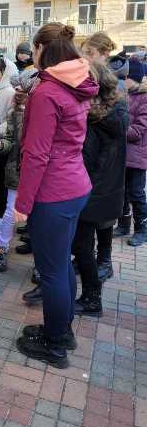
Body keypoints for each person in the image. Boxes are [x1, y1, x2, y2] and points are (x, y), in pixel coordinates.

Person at [14, 23, 98, 369]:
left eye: (34, 49)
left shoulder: (48, 92)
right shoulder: (73, 84)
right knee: (60, 263)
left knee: (51, 270)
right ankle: (61, 331)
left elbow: (37, 154)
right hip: (74, 186)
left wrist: (22, 204)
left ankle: (54, 344)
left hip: (54, 192)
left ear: (41, 50)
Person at [72, 64, 128, 316]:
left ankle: (92, 299)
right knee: (84, 246)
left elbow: (87, 160)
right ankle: (91, 295)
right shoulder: (115, 112)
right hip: (107, 191)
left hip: (91, 192)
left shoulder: (94, 118)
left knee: (82, 247)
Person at [0, 68, 38, 273]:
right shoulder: (15, 113)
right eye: (17, 88)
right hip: (17, 170)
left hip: (40, 173)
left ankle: (40, 259)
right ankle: (1, 247)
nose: (18, 91)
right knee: (11, 212)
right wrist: (1, 145)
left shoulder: (45, 112)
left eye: (22, 88)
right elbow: (10, 140)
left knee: (38, 215)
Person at [114, 59, 147, 247]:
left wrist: (115, 128)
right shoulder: (124, 95)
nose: (120, 80)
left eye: (124, 77)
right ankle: (123, 225)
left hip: (137, 156)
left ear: (132, 78)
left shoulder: (144, 98)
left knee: (136, 193)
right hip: (122, 154)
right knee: (122, 192)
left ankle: (142, 229)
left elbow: (138, 131)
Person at [0, 57, 18, 229]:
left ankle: (0, 214)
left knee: (0, 180)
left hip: (2, 141)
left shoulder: (9, 91)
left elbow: (11, 119)